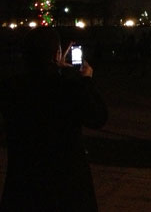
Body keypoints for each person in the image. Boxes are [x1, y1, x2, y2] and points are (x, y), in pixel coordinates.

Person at [0, 27, 107, 211]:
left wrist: (54, 66)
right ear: (57, 54)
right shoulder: (68, 89)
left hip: (23, 185)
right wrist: (86, 81)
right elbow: (98, 117)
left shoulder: (10, 89)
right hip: (66, 187)